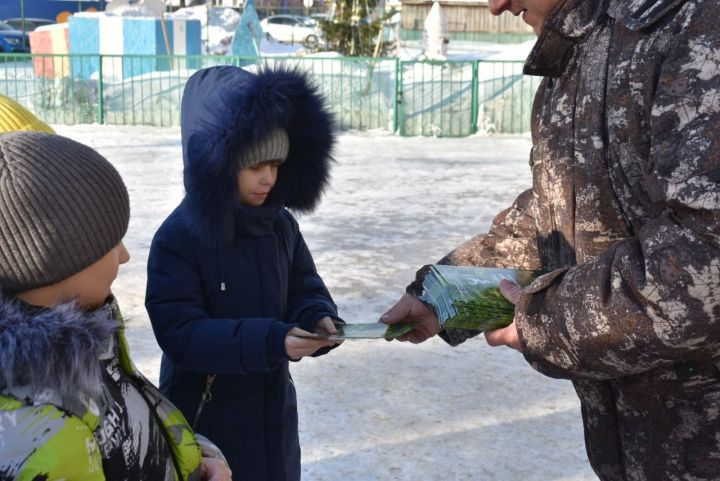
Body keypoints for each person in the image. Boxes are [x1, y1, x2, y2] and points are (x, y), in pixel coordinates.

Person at [381, 0, 720, 479]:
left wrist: (546, 318)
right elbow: (552, 215)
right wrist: (444, 296)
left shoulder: (695, 22)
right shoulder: (578, 53)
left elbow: (704, 257)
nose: (497, 6)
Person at [145, 65, 342, 481]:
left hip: (275, 418)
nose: (269, 177)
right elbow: (181, 333)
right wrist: (270, 340)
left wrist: (317, 318)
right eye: (255, 166)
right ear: (215, 164)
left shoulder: (281, 225)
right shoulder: (178, 239)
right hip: (207, 424)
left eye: (276, 163)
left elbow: (305, 287)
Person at [0, 131, 231, 481]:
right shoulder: (46, 439)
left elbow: (128, 425)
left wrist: (195, 460)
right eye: (110, 243)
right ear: (49, 261)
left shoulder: (85, 340)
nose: (125, 256)